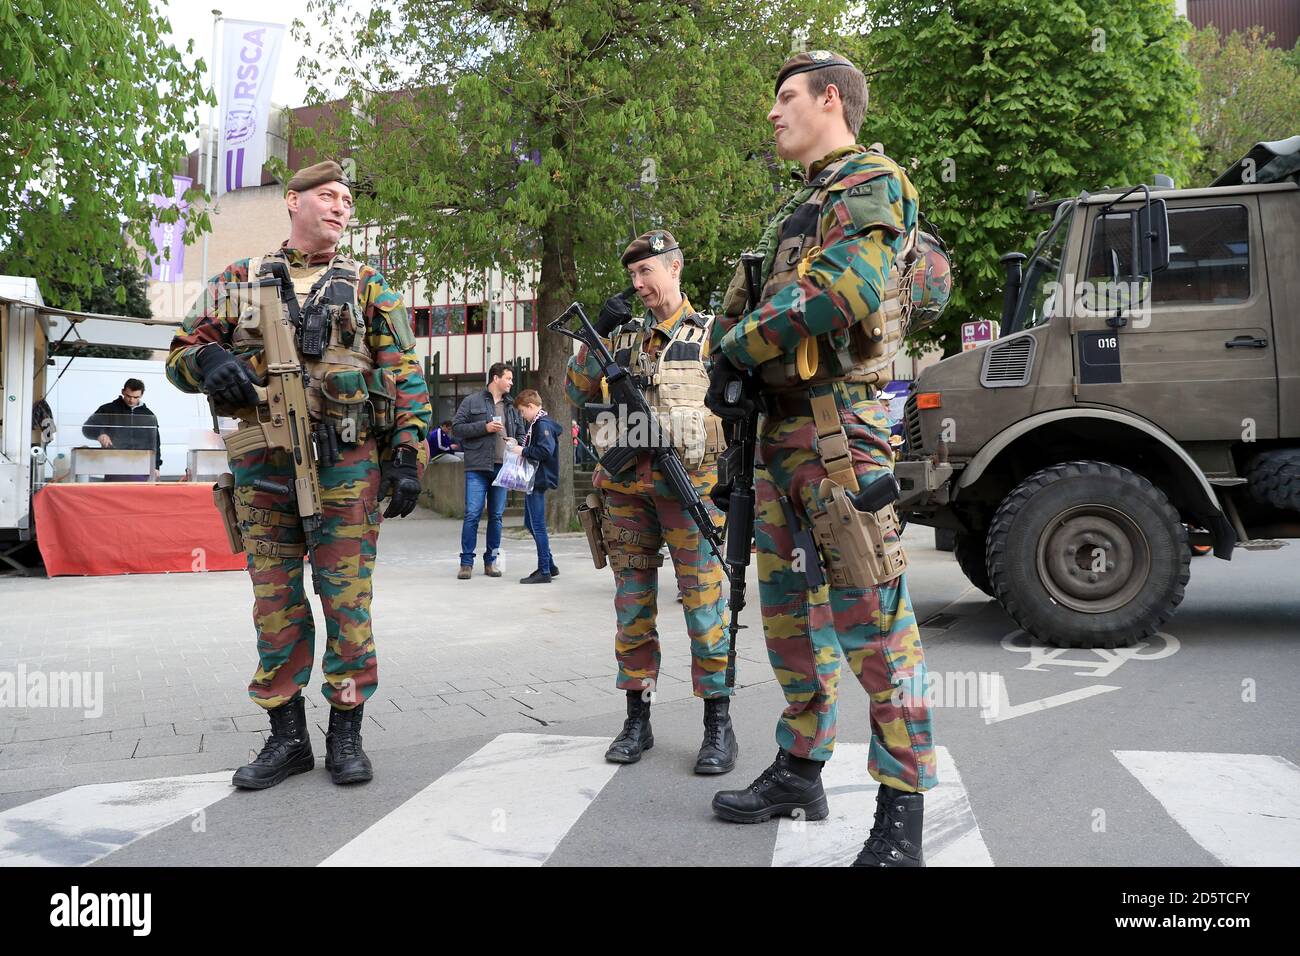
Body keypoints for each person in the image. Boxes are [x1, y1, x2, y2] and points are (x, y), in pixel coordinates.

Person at [706, 51, 939, 866]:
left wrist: (734, 347)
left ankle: (902, 812)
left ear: (829, 99)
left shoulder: (870, 182)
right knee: (789, 618)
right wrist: (729, 355)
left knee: (876, 625)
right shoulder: (801, 207)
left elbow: (847, 290)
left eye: (785, 97)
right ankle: (801, 766)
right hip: (779, 438)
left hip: (839, 434)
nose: (772, 113)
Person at [166, 160, 431, 789]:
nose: (342, 208)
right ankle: (287, 738)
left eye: (347, 200)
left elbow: (405, 375)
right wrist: (205, 360)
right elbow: (177, 357)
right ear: (293, 201)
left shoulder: (369, 285)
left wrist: (407, 453)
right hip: (262, 469)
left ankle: (346, 733)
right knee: (275, 601)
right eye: (329, 197)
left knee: (347, 600)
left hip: (346, 468)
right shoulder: (239, 280)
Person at [565, 229, 737, 775]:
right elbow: (575, 393)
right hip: (624, 491)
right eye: (633, 275)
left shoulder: (711, 334)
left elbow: (738, 409)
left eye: (648, 272)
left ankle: (717, 721)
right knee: (631, 604)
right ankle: (636, 715)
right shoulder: (618, 338)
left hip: (692, 490)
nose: (639, 285)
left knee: (704, 605)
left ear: (676, 269)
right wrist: (597, 334)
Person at [452, 363, 525, 579]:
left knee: (497, 516)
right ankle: (466, 563)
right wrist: (484, 427)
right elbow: (457, 428)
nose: (511, 382)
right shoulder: (472, 401)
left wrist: (517, 443)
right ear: (496, 378)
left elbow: (522, 433)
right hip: (477, 467)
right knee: (472, 514)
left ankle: (490, 562)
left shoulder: (512, 407)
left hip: (503, 468)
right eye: (509, 378)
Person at [514, 389, 562, 583]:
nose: (522, 416)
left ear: (531, 406)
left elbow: (544, 450)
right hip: (535, 478)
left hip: (538, 479)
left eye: (522, 411)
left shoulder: (542, 424)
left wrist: (522, 450)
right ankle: (549, 565)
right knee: (530, 522)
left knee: (538, 526)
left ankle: (544, 570)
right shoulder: (539, 423)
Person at [81, 378, 162, 480]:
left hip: (141, 466)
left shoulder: (149, 415)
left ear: (141, 395)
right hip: (114, 465)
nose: (131, 400)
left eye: (135, 397)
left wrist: (156, 466)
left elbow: (155, 443)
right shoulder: (107, 410)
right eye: (128, 396)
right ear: (123, 392)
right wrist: (100, 434)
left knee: (137, 494)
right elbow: (87, 428)